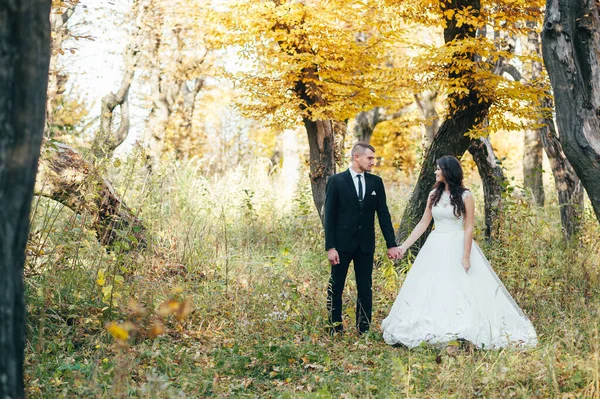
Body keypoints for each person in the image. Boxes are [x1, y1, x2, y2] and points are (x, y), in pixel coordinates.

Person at [381, 156, 537, 349]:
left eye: (439, 169)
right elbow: (423, 223)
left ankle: (462, 329)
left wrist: (465, 255)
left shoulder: (466, 196)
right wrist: (403, 247)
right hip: (435, 245)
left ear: (448, 171)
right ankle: (431, 326)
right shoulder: (433, 195)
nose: (436, 172)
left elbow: (469, 227)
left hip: (457, 243)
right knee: (432, 286)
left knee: (461, 287)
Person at [324, 142, 402, 335]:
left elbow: (383, 214)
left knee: (365, 288)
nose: (373, 162)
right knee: (336, 286)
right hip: (341, 245)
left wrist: (391, 244)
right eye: (370, 158)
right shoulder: (336, 181)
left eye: (373, 158)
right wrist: (330, 247)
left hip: (365, 245)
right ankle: (335, 328)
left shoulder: (376, 182)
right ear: (356, 157)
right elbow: (329, 217)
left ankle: (364, 328)